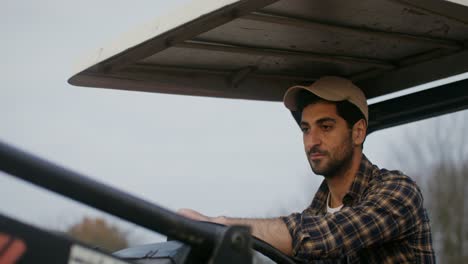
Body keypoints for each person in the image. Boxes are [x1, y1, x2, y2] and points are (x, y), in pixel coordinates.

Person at [179, 76, 435, 263]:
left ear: (357, 132)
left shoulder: (398, 192)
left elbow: (329, 235)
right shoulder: (314, 213)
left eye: (325, 127)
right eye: (305, 129)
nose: (311, 141)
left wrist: (220, 225)